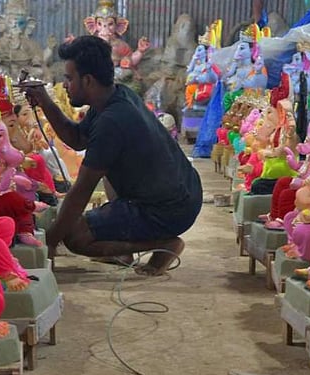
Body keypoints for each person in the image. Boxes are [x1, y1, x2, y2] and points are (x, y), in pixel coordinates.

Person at [22, 36, 203, 275]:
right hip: (184, 191)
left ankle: (164, 245)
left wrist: (51, 241)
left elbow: (80, 193)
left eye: (69, 78)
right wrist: (45, 102)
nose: (65, 85)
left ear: (87, 80)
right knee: (105, 168)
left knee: (75, 236)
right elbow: (77, 140)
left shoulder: (112, 121)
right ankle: (123, 249)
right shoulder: (114, 97)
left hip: (169, 209)